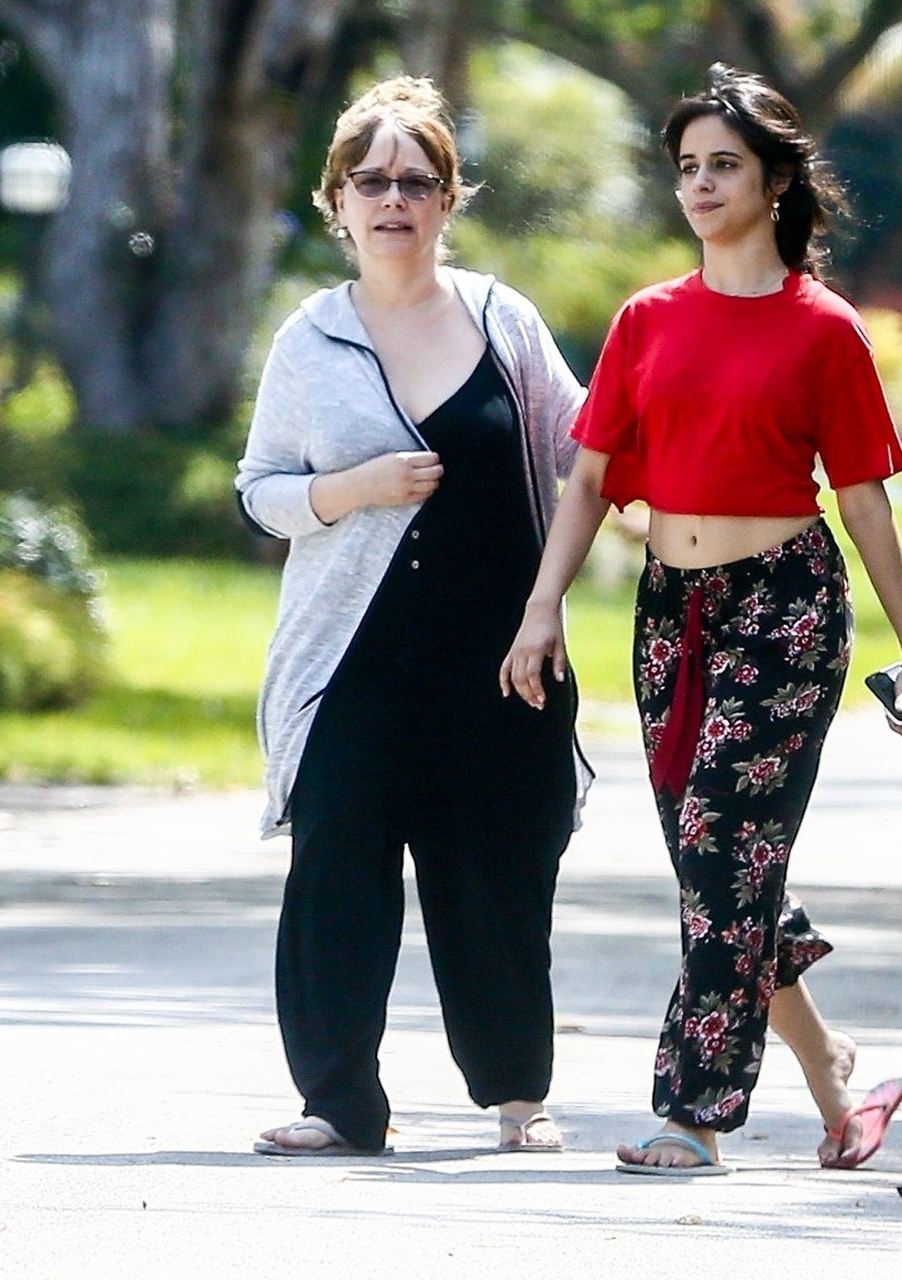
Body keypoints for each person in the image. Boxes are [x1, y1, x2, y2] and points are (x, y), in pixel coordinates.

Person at [501, 64, 902, 1176]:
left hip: (786, 608)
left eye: (724, 166)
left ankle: (692, 1113)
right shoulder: (647, 320)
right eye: (687, 167)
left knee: (722, 848)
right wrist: (542, 606)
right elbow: (590, 479)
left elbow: (865, 499)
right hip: (672, 612)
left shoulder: (826, 331)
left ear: (776, 180)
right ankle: (835, 1073)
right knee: (719, 865)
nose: (700, 185)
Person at [236, 77, 593, 1158]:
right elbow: (261, 491)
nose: (393, 199)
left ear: (448, 199)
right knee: (337, 865)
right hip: (352, 654)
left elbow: (583, 450)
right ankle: (339, 1100)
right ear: (336, 201)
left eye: (416, 181)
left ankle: (519, 1097)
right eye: (372, 181)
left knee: (498, 871)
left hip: (499, 652)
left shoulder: (502, 320)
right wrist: (355, 488)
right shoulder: (309, 340)